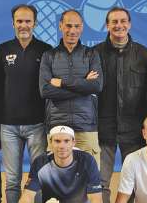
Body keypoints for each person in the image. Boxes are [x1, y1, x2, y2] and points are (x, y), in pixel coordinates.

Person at [93, 7, 147, 203]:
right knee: (101, 184)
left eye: (122, 21)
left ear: (129, 24)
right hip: (103, 129)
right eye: (113, 22)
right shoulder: (95, 54)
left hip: (134, 131)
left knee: (139, 186)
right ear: (106, 26)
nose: (118, 26)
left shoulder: (143, 54)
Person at [0, 4, 52, 203]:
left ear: (35, 23)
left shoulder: (45, 51)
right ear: (13, 23)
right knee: (12, 180)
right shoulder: (3, 50)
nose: (23, 25)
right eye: (19, 21)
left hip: (37, 124)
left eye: (28, 21)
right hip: (8, 125)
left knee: (37, 178)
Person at [39, 9, 103, 167]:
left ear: (82, 28)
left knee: (91, 182)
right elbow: (45, 91)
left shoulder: (91, 54)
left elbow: (96, 86)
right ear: (60, 26)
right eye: (68, 25)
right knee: (56, 183)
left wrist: (62, 83)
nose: (72, 30)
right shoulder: (49, 56)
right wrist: (83, 85)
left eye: (76, 26)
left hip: (86, 127)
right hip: (57, 127)